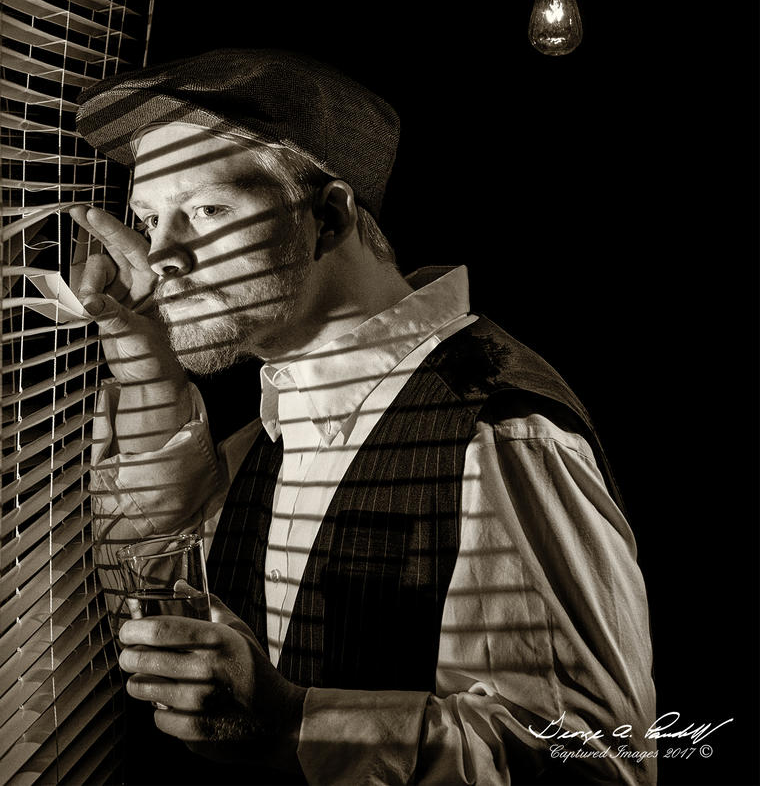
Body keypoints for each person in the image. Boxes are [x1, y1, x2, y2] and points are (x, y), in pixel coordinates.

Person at [70, 49, 656, 785]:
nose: (162, 256)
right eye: (151, 219)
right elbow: (164, 589)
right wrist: (148, 367)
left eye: (209, 210)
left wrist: (293, 724)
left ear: (328, 217)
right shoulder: (274, 428)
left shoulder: (497, 433)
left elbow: (600, 761)